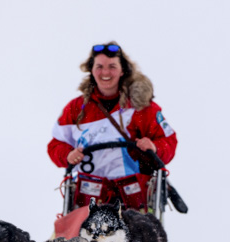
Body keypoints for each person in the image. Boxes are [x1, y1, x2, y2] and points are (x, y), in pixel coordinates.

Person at [47, 41, 177, 211]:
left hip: (134, 200)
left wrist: (154, 147)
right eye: (99, 66)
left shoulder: (141, 107)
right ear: (91, 70)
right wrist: (68, 155)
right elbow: (56, 144)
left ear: (122, 70)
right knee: (66, 235)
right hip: (88, 199)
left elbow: (168, 141)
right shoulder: (76, 109)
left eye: (112, 66)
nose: (105, 72)